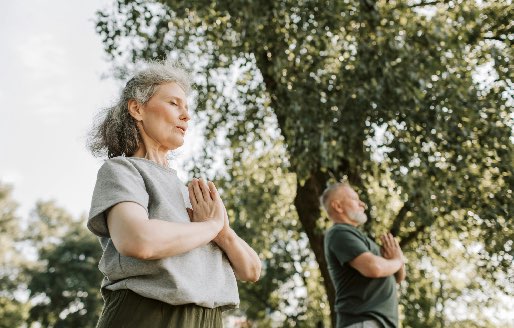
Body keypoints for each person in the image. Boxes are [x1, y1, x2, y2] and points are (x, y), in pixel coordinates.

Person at [86, 60, 261, 328]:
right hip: (147, 315)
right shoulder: (122, 170)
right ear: (137, 108)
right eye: (174, 103)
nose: (186, 115)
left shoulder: (194, 195)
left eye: (187, 107)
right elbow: (138, 240)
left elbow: (251, 270)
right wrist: (212, 226)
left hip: (209, 320)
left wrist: (222, 232)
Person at [321, 183, 406, 328]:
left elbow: (397, 276)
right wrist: (397, 260)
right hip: (363, 322)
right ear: (338, 206)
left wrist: (396, 261)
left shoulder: (363, 240)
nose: (362, 204)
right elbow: (374, 268)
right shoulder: (339, 233)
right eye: (355, 199)